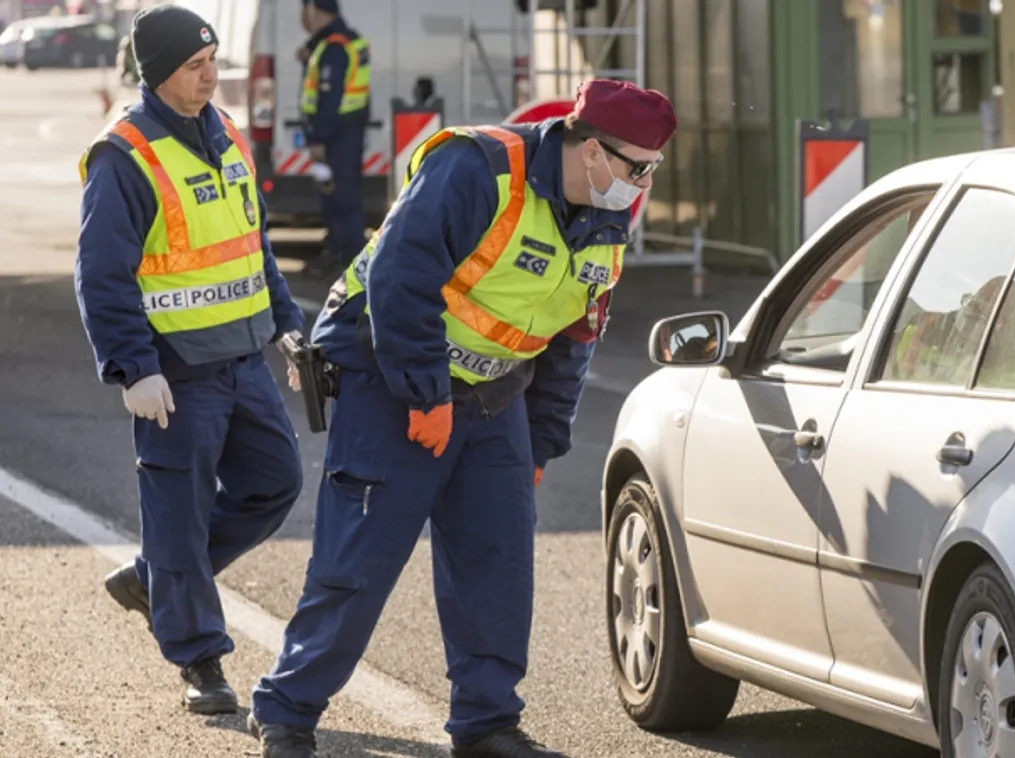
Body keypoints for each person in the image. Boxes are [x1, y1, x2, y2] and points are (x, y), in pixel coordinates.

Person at [247, 78, 676, 758]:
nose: (643, 184)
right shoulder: (477, 169)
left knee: (497, 564)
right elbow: (399, 278)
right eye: (638, 168)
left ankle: (486, 725)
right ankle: (287, 709)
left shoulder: (603, 217)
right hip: (388, 381)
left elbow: (573, 337)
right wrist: (425, 397)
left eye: (653, 169)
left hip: (493, 396)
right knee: (358, 561)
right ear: (592, 150)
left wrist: (539, 441)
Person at [74, 4, 307, 716]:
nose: (212, 77)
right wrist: (131, 366)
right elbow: (101, 272)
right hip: (174, 373)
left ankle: (157, 580)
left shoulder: (226, 131)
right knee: (179, 515)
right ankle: (201, 661)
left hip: (241, 358)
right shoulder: (126, 156)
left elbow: (251, 241)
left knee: (275, 483)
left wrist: (288, 326)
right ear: (158, 73)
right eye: (195, 67)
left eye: (213, 63)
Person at [296, 0, 371, 278]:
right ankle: (339, 253)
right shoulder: (347, 41)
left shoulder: (335, 48)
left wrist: (318, 139)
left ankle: (351, 262)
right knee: (337, 198)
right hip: (348, 132)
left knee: (342, 200)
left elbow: (329, 98)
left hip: (336, 136)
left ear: (314, 9)